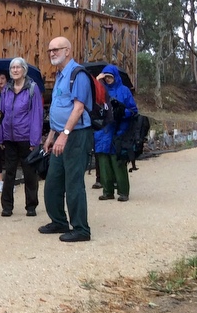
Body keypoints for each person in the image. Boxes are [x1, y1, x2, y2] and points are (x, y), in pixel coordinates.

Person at [39, 36, 94, 242]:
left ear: (68, 51)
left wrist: (65, 134)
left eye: (56, 49)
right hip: (61, 135)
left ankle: (81, 229)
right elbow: (58, 108)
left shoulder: (77, 74)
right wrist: (52, 135)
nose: (52, 53)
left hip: (76, 135)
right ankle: (59, 221)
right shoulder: (60, 75)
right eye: (50, 50)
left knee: (73, 182)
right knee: (53, 181)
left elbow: (78, 108)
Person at [0, 57, 44, 217]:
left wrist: (34, 140)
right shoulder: (6, 90)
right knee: (9, 172)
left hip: (25, 137)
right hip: (9, 138)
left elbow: (37, 114)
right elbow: (1, 114)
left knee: (29, 172)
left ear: (24, 70)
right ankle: (7, 207)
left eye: (18, 67)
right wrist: (0, 137)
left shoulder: (32, 88)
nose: (15, 70)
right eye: (13, 68)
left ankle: (31, 206)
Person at [94, 65, 138, 202]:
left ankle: (123, 191)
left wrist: (120, 113)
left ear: (115, 77)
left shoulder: (124, 90)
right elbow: (92, 101)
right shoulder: (100, 90)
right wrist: (97, 80)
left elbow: (133, 110)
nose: (108, 79)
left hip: (119, 130)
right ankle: (107, 191)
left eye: (110, 76)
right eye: (105, 77)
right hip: (103, 130)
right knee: (103, 163)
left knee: (118, 161)